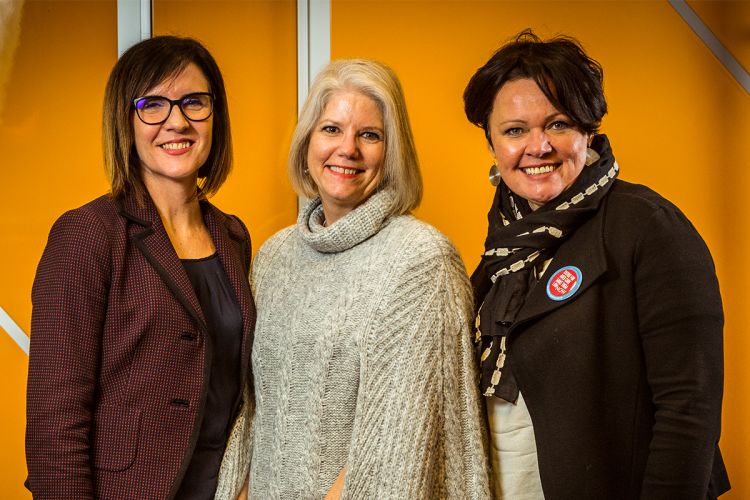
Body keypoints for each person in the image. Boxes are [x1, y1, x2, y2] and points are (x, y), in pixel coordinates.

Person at [462, 29, 730, 499]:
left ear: (589, 130)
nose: (538, 146)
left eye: (559, 124)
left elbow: (689, 406)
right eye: (514, 130)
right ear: (491, 143)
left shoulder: (646, 226)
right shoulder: (501, 252)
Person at [215, 59, 491, 499]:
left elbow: (395, 449)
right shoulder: (274, 256)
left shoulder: (420, 260)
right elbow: (255, 412)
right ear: (306, 144)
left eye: (370, 135)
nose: (348, 149)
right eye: (330, 130)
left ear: (393, 152)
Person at [25, 36, 255, 499]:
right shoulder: (88, 235)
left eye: (194, 102)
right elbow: (55, 427)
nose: (178, 121)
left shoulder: (234, 237)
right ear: (125, 121)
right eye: (153, 104)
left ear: (216, 116)